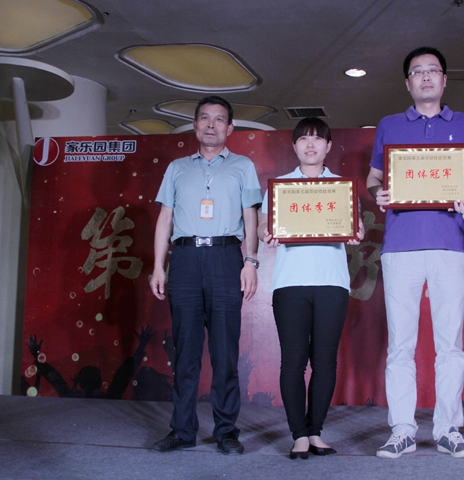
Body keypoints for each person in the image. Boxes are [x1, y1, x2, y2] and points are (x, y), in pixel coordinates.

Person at [366, 47, 464, 459]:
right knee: (401, 344)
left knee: (450, 344)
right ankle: (402, 429)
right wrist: (378, 193)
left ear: (445, 80)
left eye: (433, 70)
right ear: (408, 82)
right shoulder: (390, 125)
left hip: (450, 243)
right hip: (400, 246)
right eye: (418, 71)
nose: (426, 77)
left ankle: (448, 428)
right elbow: (374, 177)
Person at [149, 96, 262, 455]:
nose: (211, 125)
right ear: (195, 125)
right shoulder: (177, 168)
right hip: (184, 259)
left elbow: (251, 218)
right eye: (205, 118)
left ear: (230, 128)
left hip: (226, 258)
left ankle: (226, 431)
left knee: (225, 352)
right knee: (185, 351)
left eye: (219, 119)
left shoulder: (243, 166)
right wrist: (158, 266)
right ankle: (182, 430)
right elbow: (165, 219)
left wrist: (251, 261)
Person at [258, 117, 364, 459]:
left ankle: (315, 430)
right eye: (303, 138)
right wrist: (266, 232)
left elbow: (355, 226)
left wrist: (357, 231)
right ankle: (298, 435)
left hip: (332, 282)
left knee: (325, 361)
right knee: (293, 361)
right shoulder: (280, 187)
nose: (310, 144)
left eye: (318, 139)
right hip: (290, 283)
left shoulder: (341, 187)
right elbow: (263, 225)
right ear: (294, 146)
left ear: (328, 146)